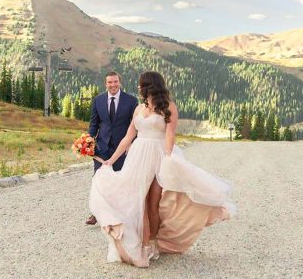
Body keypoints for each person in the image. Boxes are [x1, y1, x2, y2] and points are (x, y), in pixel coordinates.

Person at [89, 71, 235, 267]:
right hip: (138, 157)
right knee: (136, 200)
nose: (139, 88)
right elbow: (128, 137)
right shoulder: (139, 108)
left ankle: (151, 244)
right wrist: (111, 159)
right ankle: (140, 244)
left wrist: (168, 158)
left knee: (153, 202)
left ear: (150, 86)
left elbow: (170, 134)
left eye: (141, 85)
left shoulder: (168, 107)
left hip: (159, 155)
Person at [84, 71, 138, 226]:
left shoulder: (131, 100)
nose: (113, 85)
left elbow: (135, 125)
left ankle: (120, 213)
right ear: (105, 84)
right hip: (102, 147)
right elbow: (94, 124)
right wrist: (88, 141)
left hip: (122, 148)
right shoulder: (98, 100)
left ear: (120, 82)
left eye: (115, 82)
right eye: (110, 82)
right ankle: (96, 213)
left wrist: (131, 144)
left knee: (120, 179)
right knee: (99, 179)